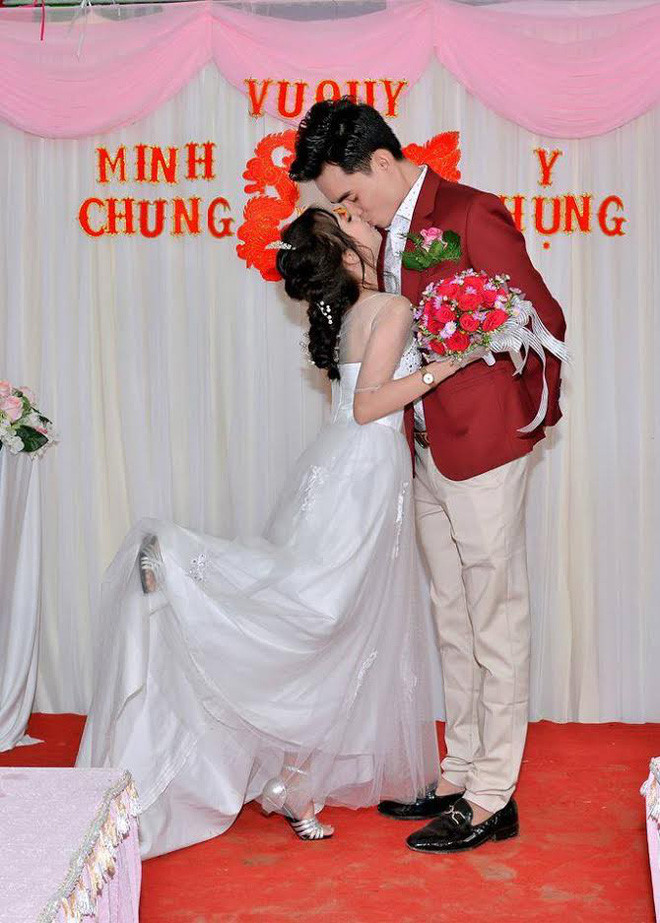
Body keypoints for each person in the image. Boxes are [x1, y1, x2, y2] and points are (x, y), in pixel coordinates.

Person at [76, 205, 470, 858]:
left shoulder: (353, 312)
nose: (366, 220)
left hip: (341, 461)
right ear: (344, 251)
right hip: (365, 467)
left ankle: (295, 780)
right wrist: (446, 367)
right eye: (353, 220)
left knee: (325, 610)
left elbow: (355, 400)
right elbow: (370, 404)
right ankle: (179, 557)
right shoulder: (392, 307)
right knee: (323, 612)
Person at [289, 98, 566, 853]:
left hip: (483, 448)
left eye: (350, 195)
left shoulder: (470, 212)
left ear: (383, 162)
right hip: (419, 449)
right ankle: (460, 773)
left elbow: (543, 318)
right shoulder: (384, 236)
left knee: (495, 619)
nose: (351, 213)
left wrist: (516, 409)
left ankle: (493, 796)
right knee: (452, 617)